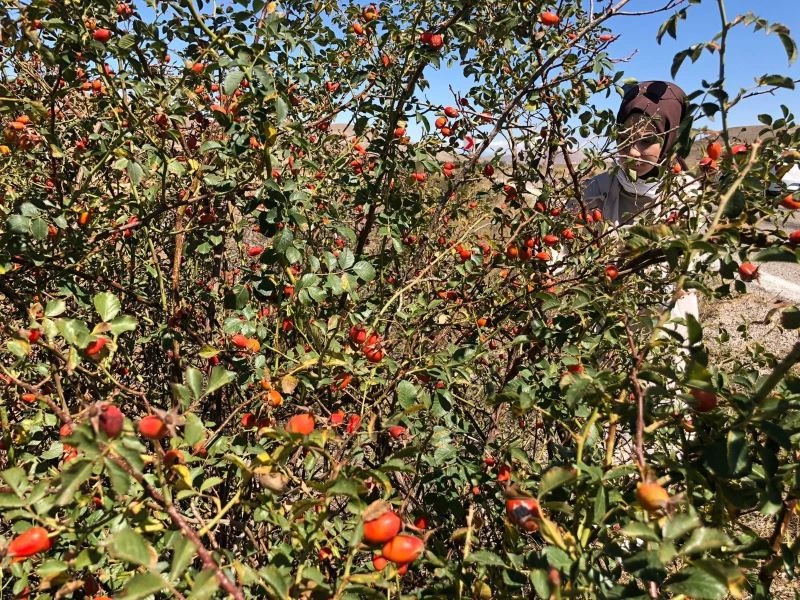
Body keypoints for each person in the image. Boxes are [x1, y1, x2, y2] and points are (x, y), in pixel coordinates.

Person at [582, 80, 699, 355]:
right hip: (602, 329)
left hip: (666, 332)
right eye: (624, 138)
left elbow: (700, 267)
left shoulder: (690, 198)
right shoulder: (594, 189)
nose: (632, 152)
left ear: (671, 139)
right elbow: (561, 251)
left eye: (647, 140)